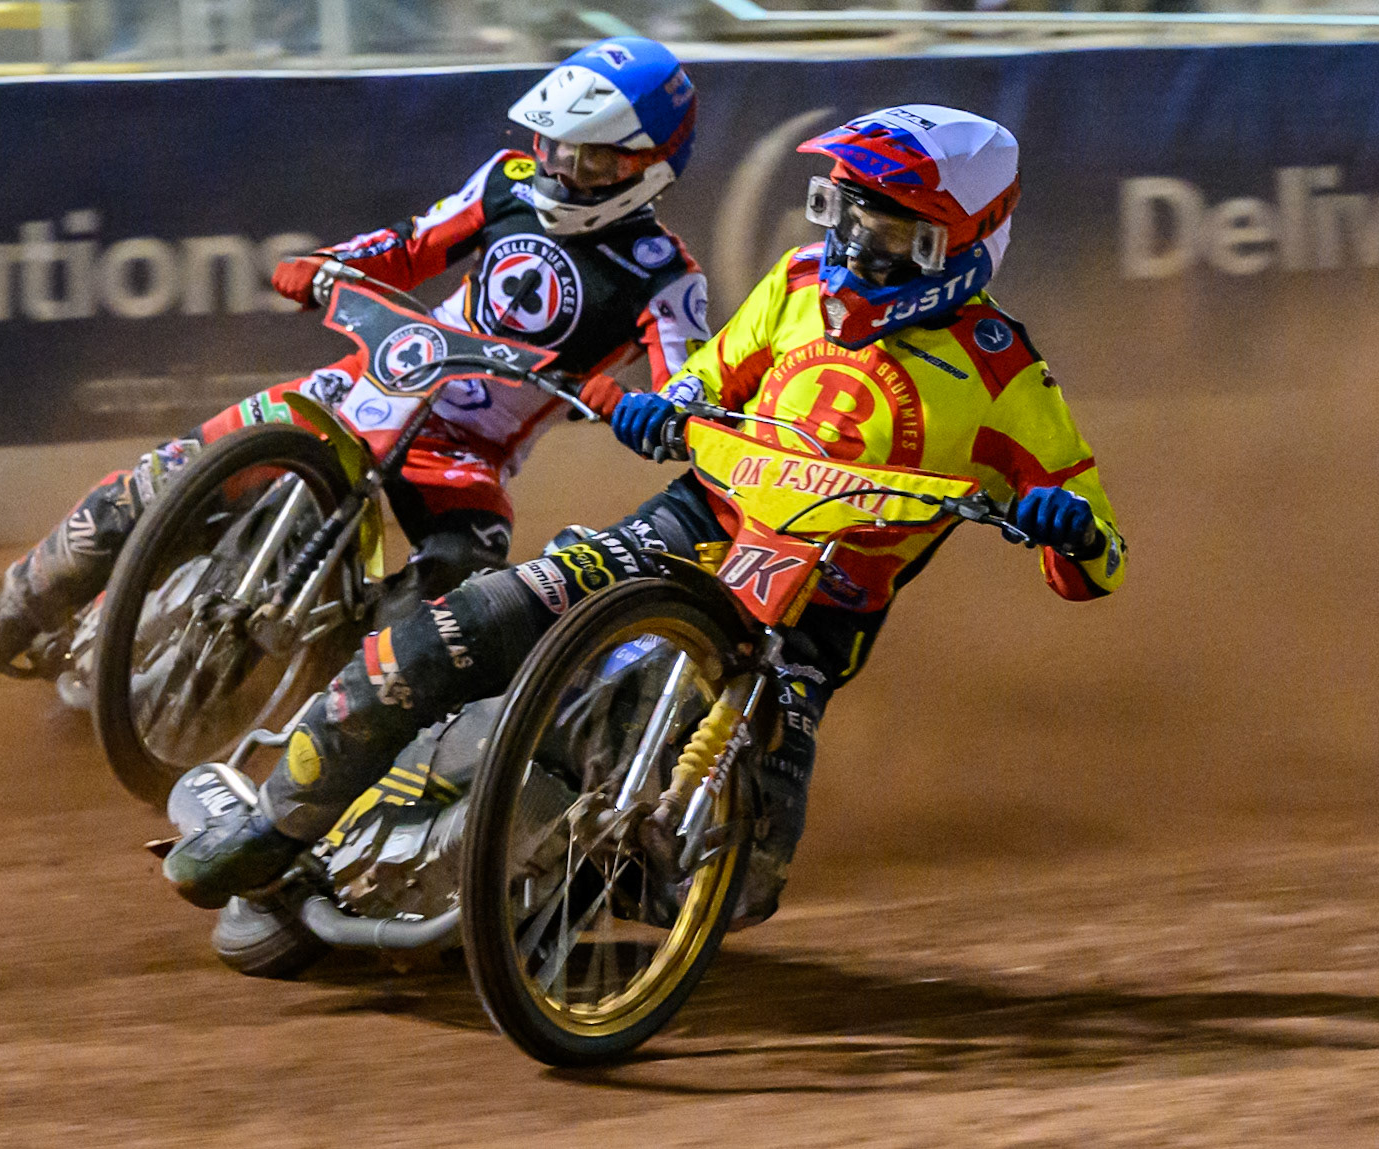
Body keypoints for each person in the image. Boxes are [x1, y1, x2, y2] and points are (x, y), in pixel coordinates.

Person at [159, 104, 1128, 924]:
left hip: (809, 622)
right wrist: (670, 405)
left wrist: (1070, 529)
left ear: (961, 244)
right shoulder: (795, 286)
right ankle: (272, 824)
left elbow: (1102, 551)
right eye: (840, 214)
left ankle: (548, 886)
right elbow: (711, 374)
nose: (851, 249)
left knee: (736, 886)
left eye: (887, 234)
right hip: (683, 528)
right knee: (436, 641)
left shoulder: (1006, 376)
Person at [0, 35, 711, 688]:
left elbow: (689, 391)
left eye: (590, 160)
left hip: (466, 459)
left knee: (451, 597)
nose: (562, 170)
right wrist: (327, 264)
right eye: (556, 148)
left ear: (646, 167)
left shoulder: (663, 273)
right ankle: (15, 605)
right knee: (174, 470)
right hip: (371, 380)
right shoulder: (507, 180)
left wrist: (651, 414)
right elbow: (411, 246)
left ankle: (322, 713)